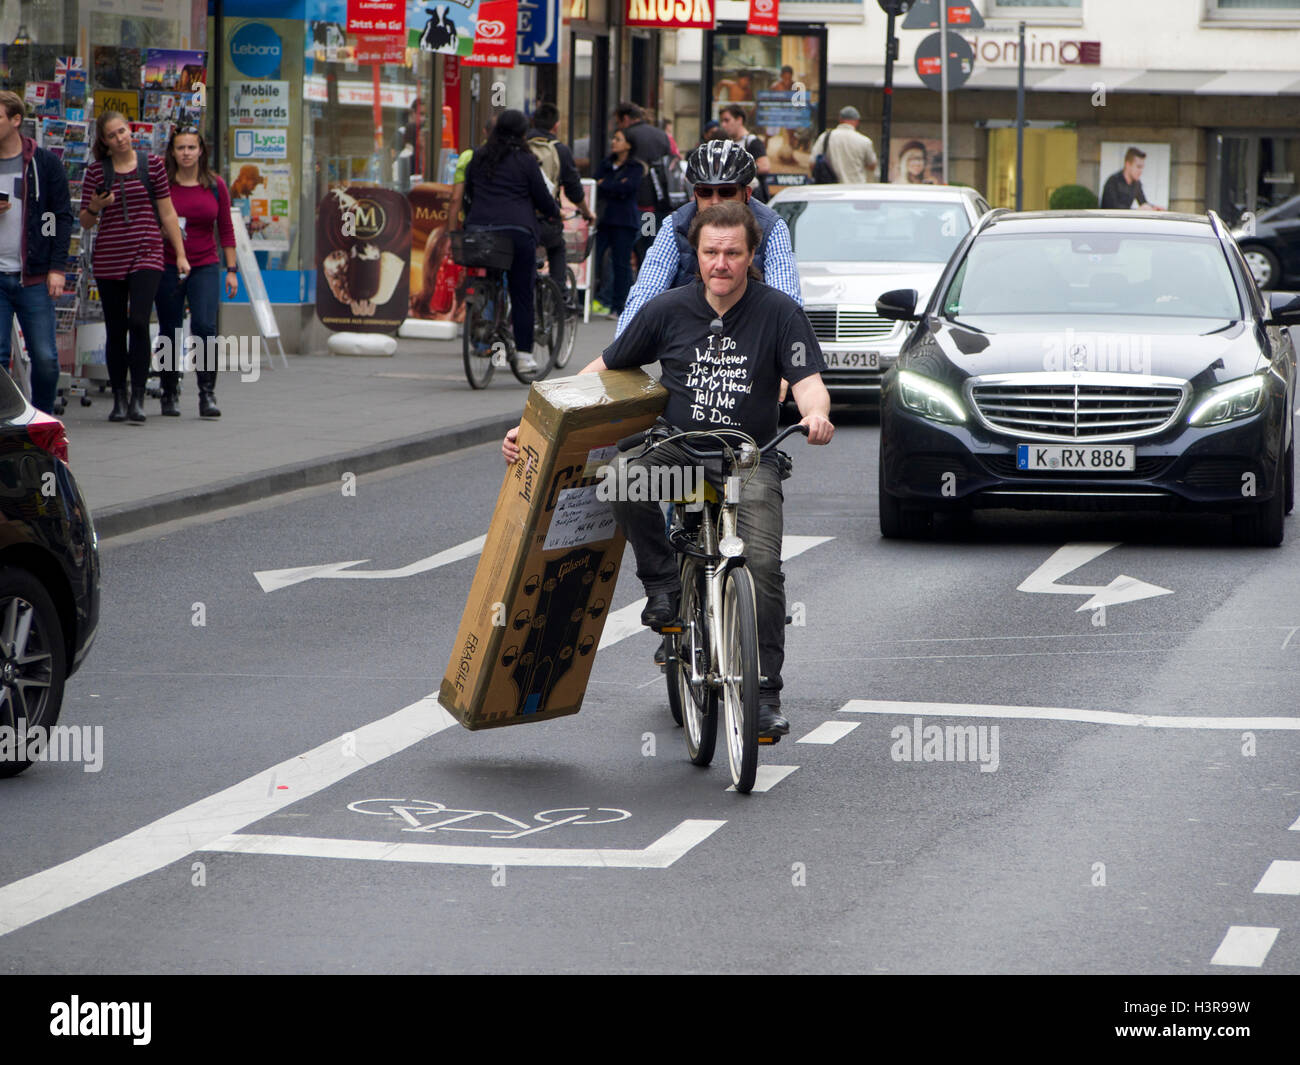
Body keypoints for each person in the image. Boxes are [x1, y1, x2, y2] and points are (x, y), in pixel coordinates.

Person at [501, 202, 834, 737]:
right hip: (679, 454)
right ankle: (664, 587)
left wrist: (815, 413)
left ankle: (765, 694)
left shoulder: (779, 312)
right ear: (696, 255)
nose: (720, 264)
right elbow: (601, 371)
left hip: (746, 461)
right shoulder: (667, 310)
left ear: (751, 257)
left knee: (766, 572)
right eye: (710, 253)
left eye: (732, 253)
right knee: (623, 477)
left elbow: (807, 380)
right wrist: (534, 424)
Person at [616, 139, 801, 338]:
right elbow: (646, 291)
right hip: (688, 344)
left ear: (746, 193)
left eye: (726, 192)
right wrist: (621, 350)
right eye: (705, 192)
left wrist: (788, 347)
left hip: (752, 341)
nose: (715, 201)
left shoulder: (771, 225)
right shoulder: (675, 225)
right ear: (695, 193)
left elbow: (786, 297)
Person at [80, 110, 189, 423]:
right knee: (116, 329)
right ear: (105, 141)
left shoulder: (152, 165)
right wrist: (95, 207)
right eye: (112, 135)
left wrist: (180, 254)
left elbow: (168, 214)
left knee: (139, 322)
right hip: (110, 256)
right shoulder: (96, 173)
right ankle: (119, 397)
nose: (120, 138)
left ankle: (138, 396)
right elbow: (86, 222)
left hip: (147, 251)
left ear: (131, 131)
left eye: (123, 131)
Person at [461, 109, 561, 374]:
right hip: (517, 231)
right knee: (521, 291)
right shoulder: (526, 160)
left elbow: (468, 193)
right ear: (522, 133)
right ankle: (524, 355)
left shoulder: (478, 156)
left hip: (480, 231)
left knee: (489, 275)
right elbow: (542, 197)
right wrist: (553, 213)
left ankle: (484, 320)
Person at [153, 125, 236, 418]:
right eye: (180, 148)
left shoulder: (215, 185)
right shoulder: (163, 184)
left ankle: (207, 393)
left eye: (191, 147)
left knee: (204, 327)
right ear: (172, 152)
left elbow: (225, 227)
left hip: (205, 264)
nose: (186, 153)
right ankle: (169, 391)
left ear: (201, 150)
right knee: (169, 330)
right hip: (167, 264)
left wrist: (231, 269)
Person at [0, 90, 73, 414]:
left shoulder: (43, 164)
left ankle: (42, 419)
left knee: (44, 358)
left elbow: (56, 216)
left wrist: (56, 266)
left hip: (33, 277)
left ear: (16, 121)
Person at [527, 102, 596, 301]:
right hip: (546, 219)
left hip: (521, 218)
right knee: (557, 247)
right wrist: (586, 212)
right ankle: (559, 295)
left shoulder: (521, 146)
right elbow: (574, 190)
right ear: (555, 126)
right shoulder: (560, 150)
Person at [591, 129, 646, 320]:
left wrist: (606, 184)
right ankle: (586, 300)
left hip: (624, 221)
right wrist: (614, 185)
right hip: (604, 220)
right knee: (593, 259)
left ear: (628, 145)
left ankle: (619, 306)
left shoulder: (635, 167)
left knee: (621, 264)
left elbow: (628, 188)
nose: (613, 142)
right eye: (613, 138)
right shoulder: (606, 164)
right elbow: (594, 183)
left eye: (618, 139)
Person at [810, 106, 879, 184]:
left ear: (840, 119)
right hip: (856, 188)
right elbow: (872, 165)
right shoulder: (865, 141)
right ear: (857, 121)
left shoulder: (825, 137)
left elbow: (812, 163)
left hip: (830, 189)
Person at [719, 104, 770, 200]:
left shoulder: (752, 141)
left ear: (739, 120)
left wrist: (738, 170)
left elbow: (764, 166)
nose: (723, 125)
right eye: (722, 121)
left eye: (727, 120)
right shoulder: (728, 143)